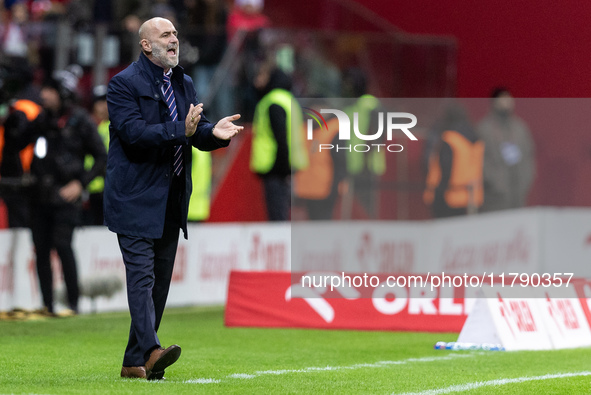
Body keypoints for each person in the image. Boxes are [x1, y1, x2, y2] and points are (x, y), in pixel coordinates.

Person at [105, 17, 242, 380]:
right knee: (142, 279)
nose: (174, 40)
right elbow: (134, 134)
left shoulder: (184, 82)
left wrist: (217, 134)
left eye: (176, 34)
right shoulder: (123, 84)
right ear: (146, 45)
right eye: (165, 35)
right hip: (134, 197)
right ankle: (151, 350)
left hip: (171, 198)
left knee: (159, 283)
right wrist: (180, 129)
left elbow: (197, 133)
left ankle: (133, 362)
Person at [4, 65, 107, 315]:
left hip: (66, 196)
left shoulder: (80, 120)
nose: (44, 95)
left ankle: (73, 304)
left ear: (62, 93)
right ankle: (47, 304)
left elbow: (102, 157)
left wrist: (80, 183)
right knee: (40, 250)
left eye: (50, 91)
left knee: (62, 246)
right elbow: (16, 144)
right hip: (39, 194)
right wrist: (11, 123)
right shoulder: (41, 119)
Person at [250, 65, 308, 221]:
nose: (256, 80)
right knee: (284, 211)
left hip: (275, 167)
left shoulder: (272, 101)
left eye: (261, 76)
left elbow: (280, 138)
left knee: (277, 214)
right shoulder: (288, 99)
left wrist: (281, 168)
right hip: (287, 165)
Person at [476, 88, 535, 212]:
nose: (507, 103)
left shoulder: (520, 128)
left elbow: (529, 156)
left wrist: (525, 182)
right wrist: (494, 183)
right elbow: (479, 161)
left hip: (518, 196)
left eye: (509, 99)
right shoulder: (484, 129)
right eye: (503, 99)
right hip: (493, 198)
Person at [423, 102, 484, 217]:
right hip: (471, 197)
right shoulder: (476, 139)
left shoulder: (450, 139)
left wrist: (437, 195)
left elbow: (445, 170)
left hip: (449, 197)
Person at [83, 85, 110, 226]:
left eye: (107, 101)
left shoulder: (114, 126)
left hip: (107, 187)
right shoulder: (85, 126)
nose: (104, 106)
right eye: (100, 102)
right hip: (87, 186)